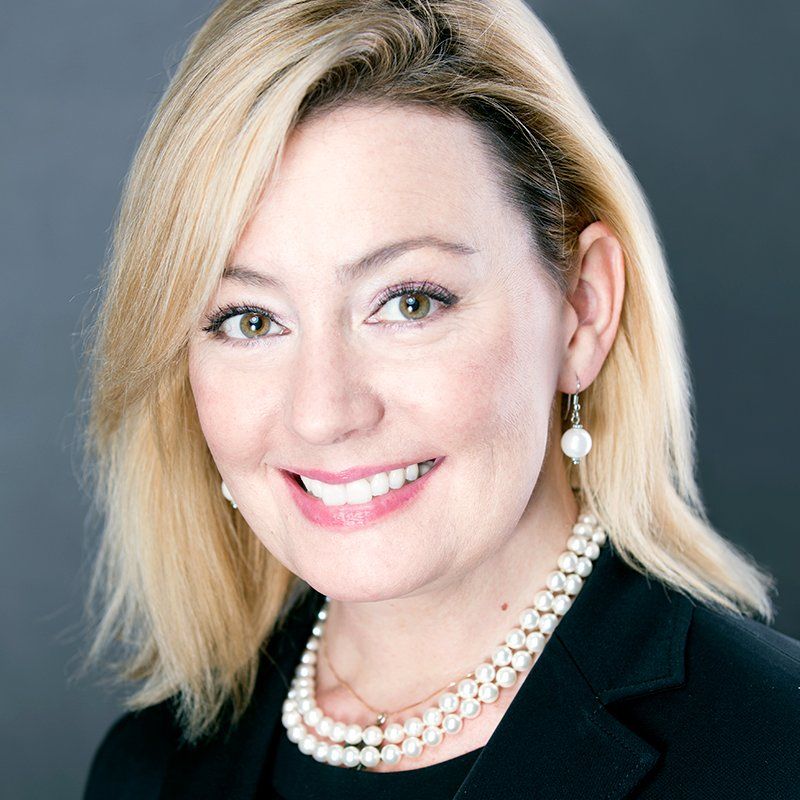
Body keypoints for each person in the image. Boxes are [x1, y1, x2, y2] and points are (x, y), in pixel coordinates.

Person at [78, 0, 800, 797]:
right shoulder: (149, 771)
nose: (323, 411)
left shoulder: (775, 748)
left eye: (409, 302)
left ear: (582, 310)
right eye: (250, 320)